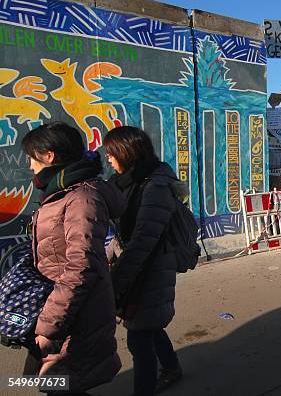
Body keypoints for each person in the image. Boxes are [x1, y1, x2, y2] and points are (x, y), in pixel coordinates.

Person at [21, 122, 124, 395]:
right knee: (56, 384)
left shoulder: (81, 198)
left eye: (32, 158)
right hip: (62, 310)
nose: (30, 166)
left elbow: (80, 266)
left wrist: (48, 326)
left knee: (62, 385)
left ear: (48, 155)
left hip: (76, 316)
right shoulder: (60, 193)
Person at [103, 126, 185, 395]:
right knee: (148, 327)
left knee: (139, 339)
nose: (108, 159)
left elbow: (141, 243)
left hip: (151, 269)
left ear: (128, 153)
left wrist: (114, 285)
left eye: (112, 153)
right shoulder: (126, 182)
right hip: (138, 268)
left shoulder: (155, 187)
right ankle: (172, 368)